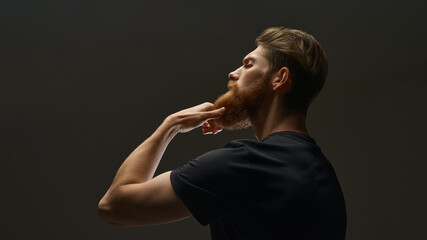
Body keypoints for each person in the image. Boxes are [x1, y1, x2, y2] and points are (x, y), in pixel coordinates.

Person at [98, 27, 347, 240]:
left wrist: (171, 125)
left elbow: (114, 206)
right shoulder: (325, 177)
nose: (233, 73)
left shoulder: (245, 165)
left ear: (279, 79)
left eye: (248, 64)